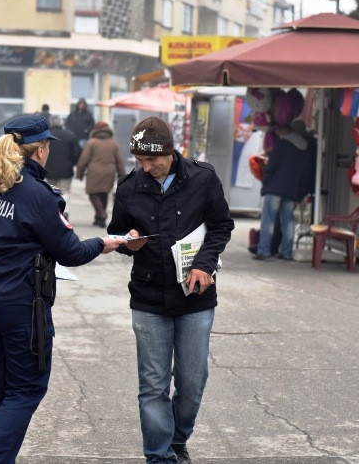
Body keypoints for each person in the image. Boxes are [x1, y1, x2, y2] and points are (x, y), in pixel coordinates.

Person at [0, 114, 125, 464]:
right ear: (41, 151)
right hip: (21, 307)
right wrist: (105, 242)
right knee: (25, 389)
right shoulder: (40, 195)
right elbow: (71, 252)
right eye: (48, 146)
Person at [108, 116, 234, 464]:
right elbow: (118, 232)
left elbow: (222, 226)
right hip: (148, 298)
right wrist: (126, 242)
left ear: (170, 151)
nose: (147, 168)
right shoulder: (130, 186)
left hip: (195, 297)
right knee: (153, 385)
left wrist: (205, 264)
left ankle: (178, 439)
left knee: (193, 381)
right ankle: (159, 456)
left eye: (153, 161)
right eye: (140, 161)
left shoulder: (203, 178)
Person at [254, 90, 313, 261]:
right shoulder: (305, 149)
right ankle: (286, 252)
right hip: (291, 191)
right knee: (288, 221)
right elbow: (305, 174)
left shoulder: (281, 145)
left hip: (274, 189)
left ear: (285, 131)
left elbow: (271, 167)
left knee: (269, 220)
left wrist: (265, 184)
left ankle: (264, 250)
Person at [75, 121, 126, 227]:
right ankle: (99, 219)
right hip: (110, 172)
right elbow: (120, 160)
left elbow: (84, 159)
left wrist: (80, 173)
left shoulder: (92, 142)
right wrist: (122, 174)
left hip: (94, 171)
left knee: (93, 193)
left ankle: (102, 214)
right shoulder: (114, 143)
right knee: (104, 193)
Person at [44, 115, 82, 220]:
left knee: (52, 191)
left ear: (51, 123)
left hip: (49, 169)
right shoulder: (70, 135)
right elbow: (77, 152)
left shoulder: (46, 136)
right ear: (62, 123)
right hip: (66, 169)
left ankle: (53, 212)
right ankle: (64, 213)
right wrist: (72, 163)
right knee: (65, 191)